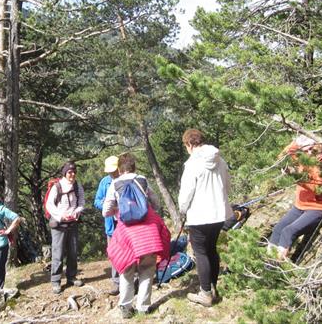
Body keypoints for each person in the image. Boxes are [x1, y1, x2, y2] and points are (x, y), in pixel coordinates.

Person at [103, 152, 170, 319]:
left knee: (126, 269)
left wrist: (118, 211)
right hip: (148, 232)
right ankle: (143, 307)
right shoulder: (143, 180)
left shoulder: (115, 183)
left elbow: (106, 211)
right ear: (134, 166)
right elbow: (155, 202)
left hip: (127, 233)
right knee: (147, 268)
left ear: (120, 168)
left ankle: (125, 307)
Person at [178, 129, 232, 307]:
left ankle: (205, 293)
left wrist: (182, 210)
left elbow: (186, 194)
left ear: (190, 144)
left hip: (199, 215)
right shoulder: (220, 160)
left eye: (186, 146)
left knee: (200, 252)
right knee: (211, 249)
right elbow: (227, 185)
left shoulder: (192, 164)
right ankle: (213, 287)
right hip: (219, 213)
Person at [268, 135, 322, 260]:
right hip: (300, 205)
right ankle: (268, 262)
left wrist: (296, 176)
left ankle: (276, 265)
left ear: (321, 145)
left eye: (312, 149)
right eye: (306, 149)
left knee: (288, 232)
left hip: (318, 207)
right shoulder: (304, 155)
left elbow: (318, 189)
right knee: (278, 229)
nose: (309, 152)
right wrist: (296, 143)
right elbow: (282, 158)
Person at [45, 161, 85, 294]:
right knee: (58, 253)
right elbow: (50, 205)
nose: (72, 174)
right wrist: (61, 215)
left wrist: (76, 212)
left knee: (73, 251)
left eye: (74, 172)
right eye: (69, 172)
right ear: (65, 173)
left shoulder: (77, 185)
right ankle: (56, 281)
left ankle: (71, 277)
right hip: (59, 224)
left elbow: (81, 201)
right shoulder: (57, 186)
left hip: (73, 222)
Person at [94, 155, 121, 295]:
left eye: (114, 170)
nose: (112, 173)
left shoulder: (126, 179)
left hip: (127, 224)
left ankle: (133, 280)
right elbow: (96, 201)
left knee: (130, 252)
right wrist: (105, 203)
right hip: (111, 225)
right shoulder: (105, 182)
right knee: (114, 253)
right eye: (110, 171)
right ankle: (116, 283)